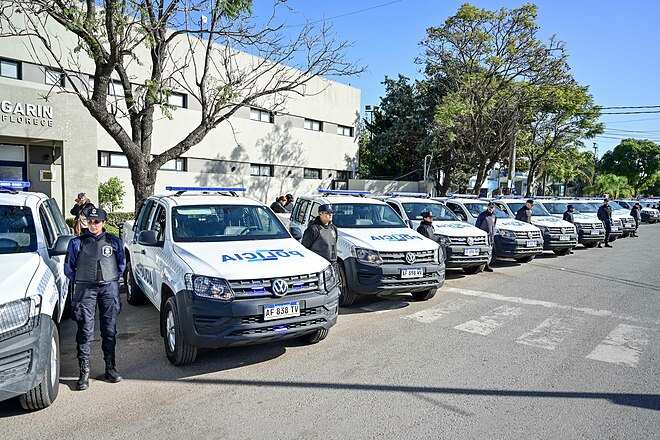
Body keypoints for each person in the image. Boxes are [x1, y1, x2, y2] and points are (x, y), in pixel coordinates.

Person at [64, 207, 126, 391]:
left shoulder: (114, 242)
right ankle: (84, 372)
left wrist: (109, 278)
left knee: (109, 329)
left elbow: (121, 264)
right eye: (90, 222)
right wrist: (85, 279)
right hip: (85, 289)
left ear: (103, 223)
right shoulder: (77, 243)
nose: (93, 225)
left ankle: (110, 368)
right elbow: (69, 268)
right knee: (84, 330)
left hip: (109, 287)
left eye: (96, 222)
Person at [302, 204, 338, 268]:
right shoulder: (313, 229)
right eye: (327, 213)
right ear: (320, 214)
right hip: (317, 265)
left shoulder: (333, 228)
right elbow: (305, 248)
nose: (330, 215)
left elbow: (333, 245)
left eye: (331, 213)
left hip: (331, 265)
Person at [475, 202, 497, 272]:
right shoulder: (482, 215)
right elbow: (477, 226)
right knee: (483, 252)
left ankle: (487, 265)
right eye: (490, 207)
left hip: (491, 237)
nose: (491, 209)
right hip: (484, 237)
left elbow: (493, 226)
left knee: (489, 252)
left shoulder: (494, 216)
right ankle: (480, 266)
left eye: (492, 208)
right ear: (487, 207)